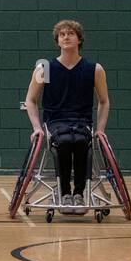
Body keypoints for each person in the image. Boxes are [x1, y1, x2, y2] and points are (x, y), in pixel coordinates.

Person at [24, 19, 110, 214]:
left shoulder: (94, 69)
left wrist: (101, 129)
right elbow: (30, 100)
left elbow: (104, 101)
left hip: (82, 122)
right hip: (55, 122)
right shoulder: (44, 68)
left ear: (79, 39)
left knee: (80, 142)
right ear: (57, 41)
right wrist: (37, 127)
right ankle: (63, 192)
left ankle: (79, 193)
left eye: (70, 33)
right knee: (63, 143)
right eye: (62, 34)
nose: (66, 37)